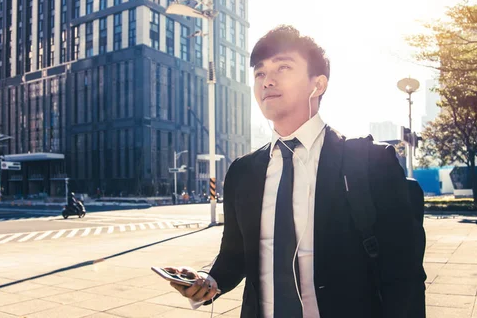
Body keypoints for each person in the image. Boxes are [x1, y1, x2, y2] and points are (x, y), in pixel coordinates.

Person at [169, 26, 420, 317]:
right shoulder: (242, 172)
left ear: (319, 84)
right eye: (260, 73)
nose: (267, 81)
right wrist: (206, 282)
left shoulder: (370, 162)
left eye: (283, 68)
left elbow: (405, 275)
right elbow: (235, 256)